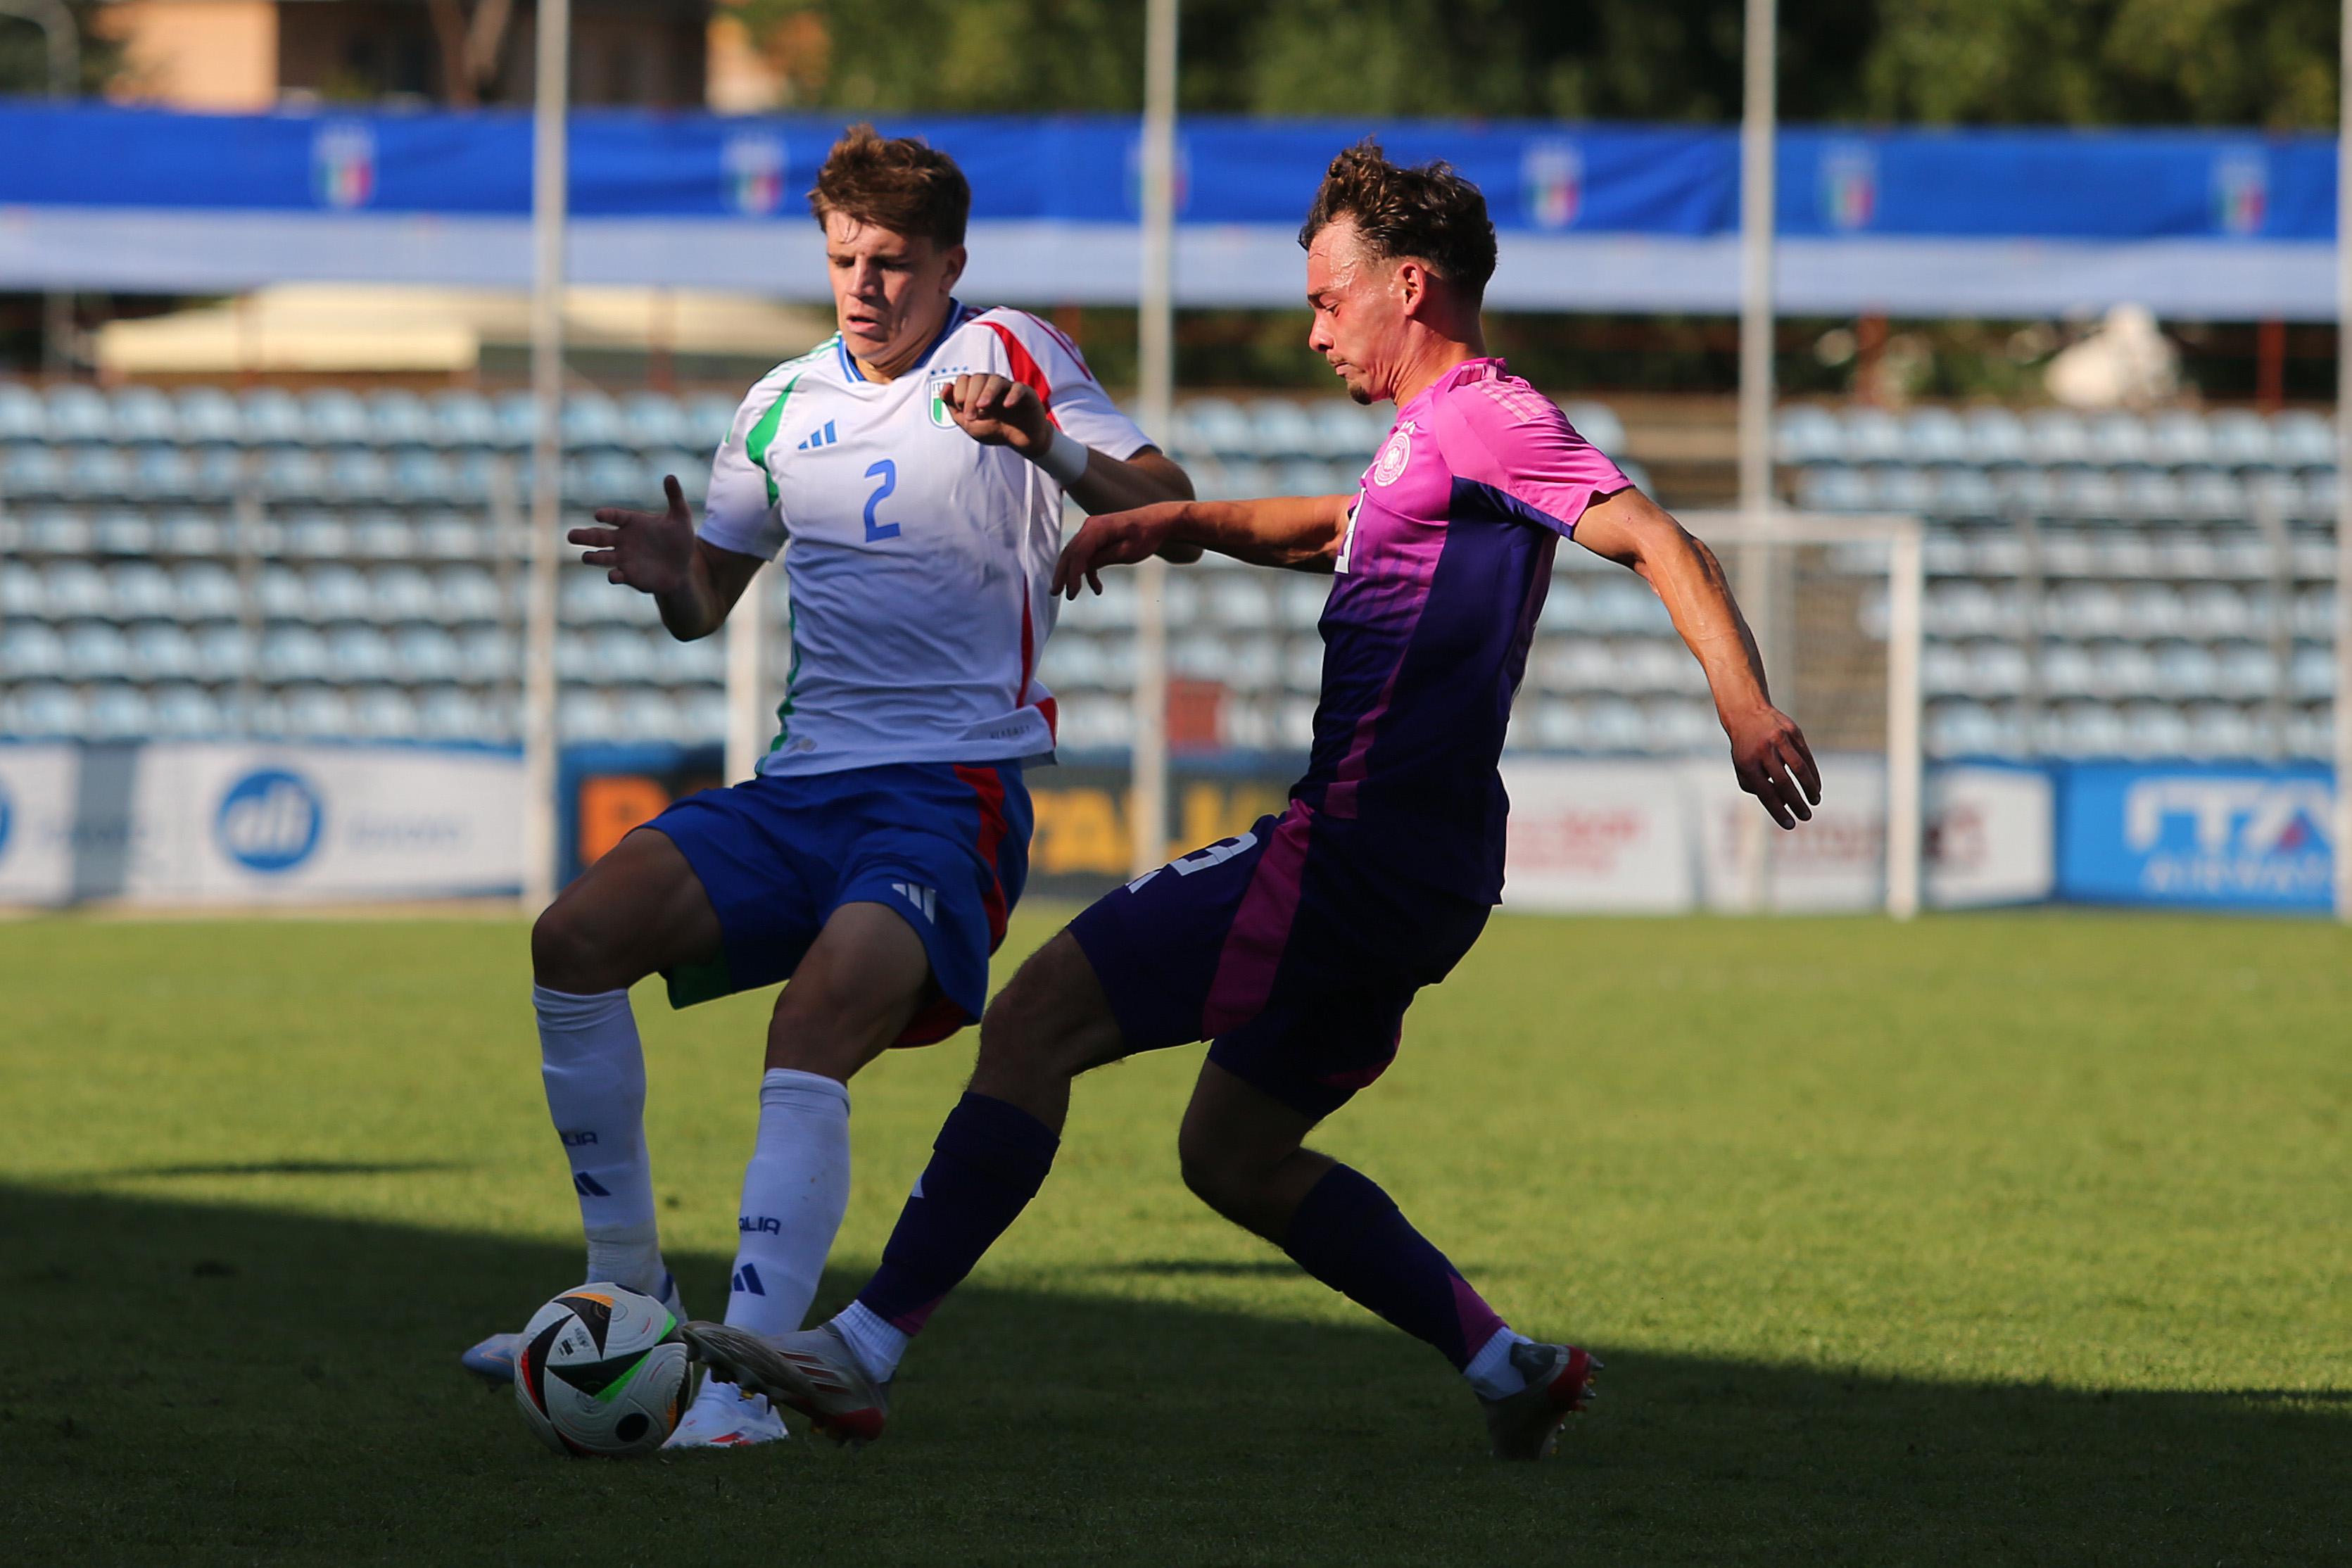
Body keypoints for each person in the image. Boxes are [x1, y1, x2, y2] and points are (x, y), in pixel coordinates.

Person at [679, 140, 1820, 1461]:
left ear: (1410, 285)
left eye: (1332, 299)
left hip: (1349, 849)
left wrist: (1744, 707)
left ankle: (859, 1348)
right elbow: (1341, 529)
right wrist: (1182, 523)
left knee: (1040, 1016)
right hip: (1429, 876)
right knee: (1234, 1153)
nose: (1314, 327)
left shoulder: (1492, 415)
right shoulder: (1429, 443)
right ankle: (1505, 1364)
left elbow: (1657, 535)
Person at [459, 124, 1194, 1450]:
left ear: (951, 262)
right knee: (571, 939)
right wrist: (679, 568)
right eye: (845, 258)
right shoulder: (780, 401)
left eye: (895, 263)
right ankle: (625, 1294)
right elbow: (709, 605)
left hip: (945, 792)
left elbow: (1162, 498)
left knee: (810, 1026)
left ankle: (743, 1384)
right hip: (801, 790)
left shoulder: (1009, 352)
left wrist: (1045, 445)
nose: (865, 285)